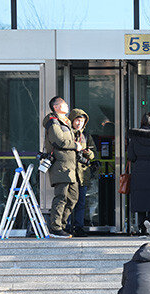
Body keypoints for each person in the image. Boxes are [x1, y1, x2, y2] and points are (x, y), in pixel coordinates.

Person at [42, 96, 83, 238]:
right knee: (61, 196)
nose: (67, 106)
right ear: (56, 107)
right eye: (64, 104)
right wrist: (75, 145)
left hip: (71, 167)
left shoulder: (65, 122)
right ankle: (55, 228)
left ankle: (62, 225)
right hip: (60, 165)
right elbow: (58, 141)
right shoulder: (53, 122)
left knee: (72, 198)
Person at [67, 108, 96, 237]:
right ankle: (66, 226)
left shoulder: (86, 135)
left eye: (82, 121)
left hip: (83, 174)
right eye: (77, 120)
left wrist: (87, 153)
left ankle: (79, 227)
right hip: (70, 173)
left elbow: (93, 154)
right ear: (72, 120)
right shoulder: (67, 133)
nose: (79, 123)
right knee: (68, 201)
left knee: (81, 203)